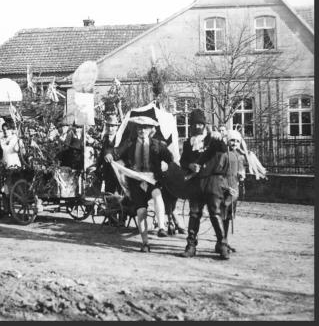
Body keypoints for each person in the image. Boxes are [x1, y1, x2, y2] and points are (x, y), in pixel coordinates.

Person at [105, 116, 175, 252]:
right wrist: (108, 155)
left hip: (152, 180)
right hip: (135, 181)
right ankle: (145, 243)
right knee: (141, 211)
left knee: (157, 193)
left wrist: (170, 163)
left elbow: (170, 159)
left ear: (151, 130)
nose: (142, 130)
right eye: (139, 128)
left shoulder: (157, 144)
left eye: (145, 128)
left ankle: (161, 227)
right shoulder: (129, 144)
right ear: (136, 129)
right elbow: (115, 152)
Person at [180, 108, 228, 258]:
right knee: (194, 214)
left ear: (205, 124)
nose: (198, 127)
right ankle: (191, 246)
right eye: (195, 124)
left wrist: (220, 137)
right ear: (191, 126)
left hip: (213, 181)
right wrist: (190, 166)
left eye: (201, 124)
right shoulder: (188, 143)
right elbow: (183, 161)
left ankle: (222, 245)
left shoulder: (213, 139)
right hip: (195, 182)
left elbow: (224, 149)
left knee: (215, 213)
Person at [219, 129, 246, 255]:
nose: (234, 143)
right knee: (223, 215)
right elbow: (218, 174)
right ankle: (222, 242)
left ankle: (224, 240)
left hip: (234, 190)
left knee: (229, 217)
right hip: (225, 190)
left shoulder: (239, 156)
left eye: (237, 141)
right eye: (232, 140)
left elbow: (241, 170)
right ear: (227, 141)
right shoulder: (224, 155)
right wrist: (224, 187)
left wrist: (242, 175)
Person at [98, 114, 122, 194]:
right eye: (108, 126)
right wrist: (96, 166)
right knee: (108, 198)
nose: (110, 128)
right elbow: (102, 154)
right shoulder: (105, 138)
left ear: (117, 127)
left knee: (120, 201)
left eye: (112, 126)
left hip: (119, 174)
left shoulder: (121, 139)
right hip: (107, 174)